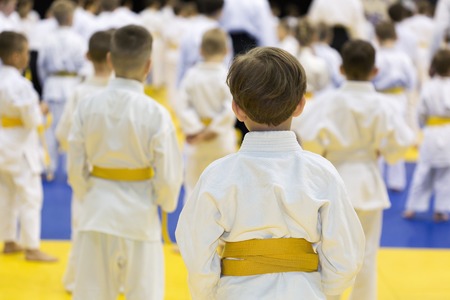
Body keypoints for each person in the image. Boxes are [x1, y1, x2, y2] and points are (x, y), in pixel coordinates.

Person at [176, 47, 365, 300]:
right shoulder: (321, 173)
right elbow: (346, 255)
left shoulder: (217, 175)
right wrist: (320, 291)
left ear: (236, 109)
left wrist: (210, 294)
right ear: (300, 105)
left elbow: (196, 249)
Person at [68, 25, 183, 300]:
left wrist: (88, 194)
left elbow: (75, 166)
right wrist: (164, 201)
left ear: (109, 60)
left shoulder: (87, 106)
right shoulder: (156, 114)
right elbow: (168, 177)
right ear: (149, 66)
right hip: (139, 215)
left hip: (96, 211)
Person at [294, 40, 415, 300]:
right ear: (375, 71)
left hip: (333, 180)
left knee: (327, 251)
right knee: (367, 255)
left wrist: (324, 152)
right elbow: (403, 141)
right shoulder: (385, 105)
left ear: (340, 69)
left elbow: (306, 134)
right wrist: (385, 150)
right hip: (368, 182)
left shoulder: (329, 101)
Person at [56, 29, 114, 293]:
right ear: (115, 58)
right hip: (117, 170)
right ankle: (115, 279)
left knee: (80, 227)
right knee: (114, 229)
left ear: (87, 56)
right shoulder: (123, 91)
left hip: (85, 168)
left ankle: (75, 281)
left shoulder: (80, 92)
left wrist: (76, 153)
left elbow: (63, 132)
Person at [0, 31, 57, 262]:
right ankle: (32, 246)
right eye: (25, 52)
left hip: (3, 142)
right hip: (21, 147)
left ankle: (9, 240)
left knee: (6, 194)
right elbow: (32, 120)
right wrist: (41, 110)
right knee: (30, 196)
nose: (27, 57)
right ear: (15, 56)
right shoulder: (20, 85)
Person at [175, 28, 236, 205]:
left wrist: (196, 129)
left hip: (196, 141)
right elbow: (230, 108)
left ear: (200, 50)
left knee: (193, 189)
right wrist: (214, 130)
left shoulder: (191, 75)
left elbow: (182, 105)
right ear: (227, 51)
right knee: (222, 189)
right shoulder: (227, 76)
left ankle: (191, 231)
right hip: (220, 141)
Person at [37, 0, 86, 179]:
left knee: (49, 128)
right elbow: (84, 66)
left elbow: (41, 66)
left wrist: (47, 83)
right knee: (72, 128)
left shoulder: (47, 40)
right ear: (70, 17)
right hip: (72, 86)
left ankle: (48, 167)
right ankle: (70, 169)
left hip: (52, 86)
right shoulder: (78, 40)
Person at [403, 49, 450, 222]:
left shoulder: (428, 87)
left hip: (431, 132)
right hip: (448, 133)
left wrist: (423, 126)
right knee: (446, 175)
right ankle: (441, 210)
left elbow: (420, 113)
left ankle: (412, 208)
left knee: (423, 171)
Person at [372, 21, 417, 192]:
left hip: (379, 97)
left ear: (377, 37)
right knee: (397, 136)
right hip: (399, 99)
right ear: (396, 37)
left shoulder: (375, 56)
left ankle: (378, 179)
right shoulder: (404, 57)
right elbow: (411, 83)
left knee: (379, 137)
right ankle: (396, 181)